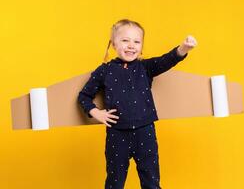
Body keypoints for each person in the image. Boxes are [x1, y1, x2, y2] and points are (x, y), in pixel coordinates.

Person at [78, 19, 197, 189]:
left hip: (145, 132)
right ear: (113, 44)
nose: (131, 46)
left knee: (151, 181)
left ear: (141, 46)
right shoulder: (104, 70)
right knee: (114, 182)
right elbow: (84, 96)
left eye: (137, 41)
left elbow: (166, 60)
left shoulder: (145, 67)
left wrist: (183, 48)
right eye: (125, 40)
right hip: (117, 135)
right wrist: (95, 112)